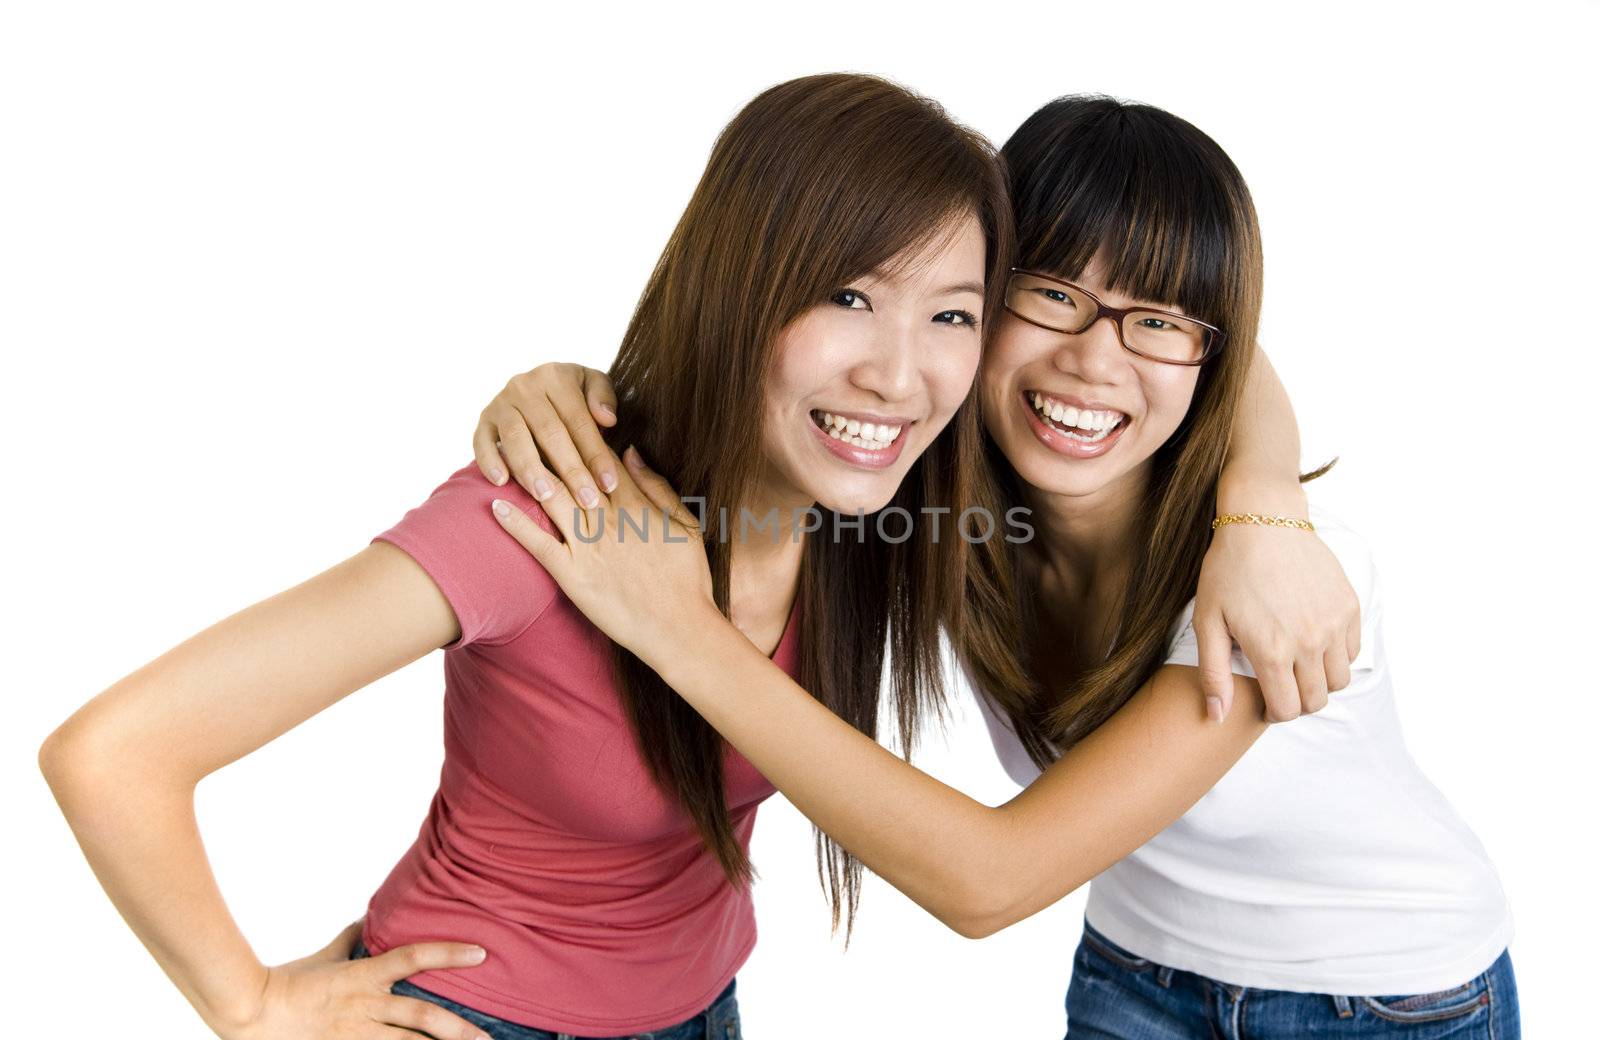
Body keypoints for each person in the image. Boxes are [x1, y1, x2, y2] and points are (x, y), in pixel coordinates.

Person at [478, 96, 1517, 1036]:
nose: (1093, 360)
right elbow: (774, 397)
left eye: (1153, 323)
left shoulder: (1271, 579)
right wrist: (584, 398)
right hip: (1134, 976)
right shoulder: (932, 501)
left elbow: (991, 880)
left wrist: (678, 632)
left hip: (1386, 999)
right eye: (1048, 295)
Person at [37, 72, 1018, 1040]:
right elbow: (113, 753)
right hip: (478, 1015)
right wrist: (247, 1003)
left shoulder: (873, 515)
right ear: (735, 288)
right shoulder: (549, 514)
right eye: (848, 294)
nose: (896, 374)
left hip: (706, 1007)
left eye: (950, 314)